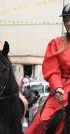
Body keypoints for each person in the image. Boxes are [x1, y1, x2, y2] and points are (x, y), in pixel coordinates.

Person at [26, 3, 70, 134]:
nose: (68, 23)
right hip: (63, 89)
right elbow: (52, 71)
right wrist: (57, 88)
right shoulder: (56, 44)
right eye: (66, 20)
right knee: (42, 120)